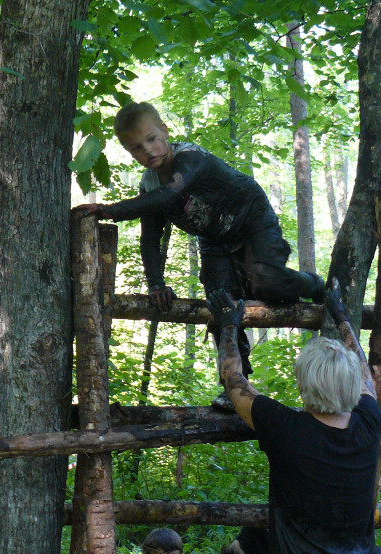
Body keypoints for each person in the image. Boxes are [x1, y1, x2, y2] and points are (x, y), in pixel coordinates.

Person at [83, 101, 323, 410]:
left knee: (268, 281)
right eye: (137, 148)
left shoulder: (191, 158)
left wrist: (110, 210)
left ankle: (315, 286)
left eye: (152, 139)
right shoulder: (149, 185)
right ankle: (235, 385)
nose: (149, 150)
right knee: (221, 303)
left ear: (166, 132)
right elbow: (150, 239)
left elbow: (170, 193)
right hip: (214, 240)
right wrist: (156, 285)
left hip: (251, 219)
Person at [206, 280, 381, 554]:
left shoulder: (283, 426)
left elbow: (234, 379)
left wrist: (229, 324)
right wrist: (342, 318)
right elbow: (365, 373)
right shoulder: (368, 421)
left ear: (304, 384)